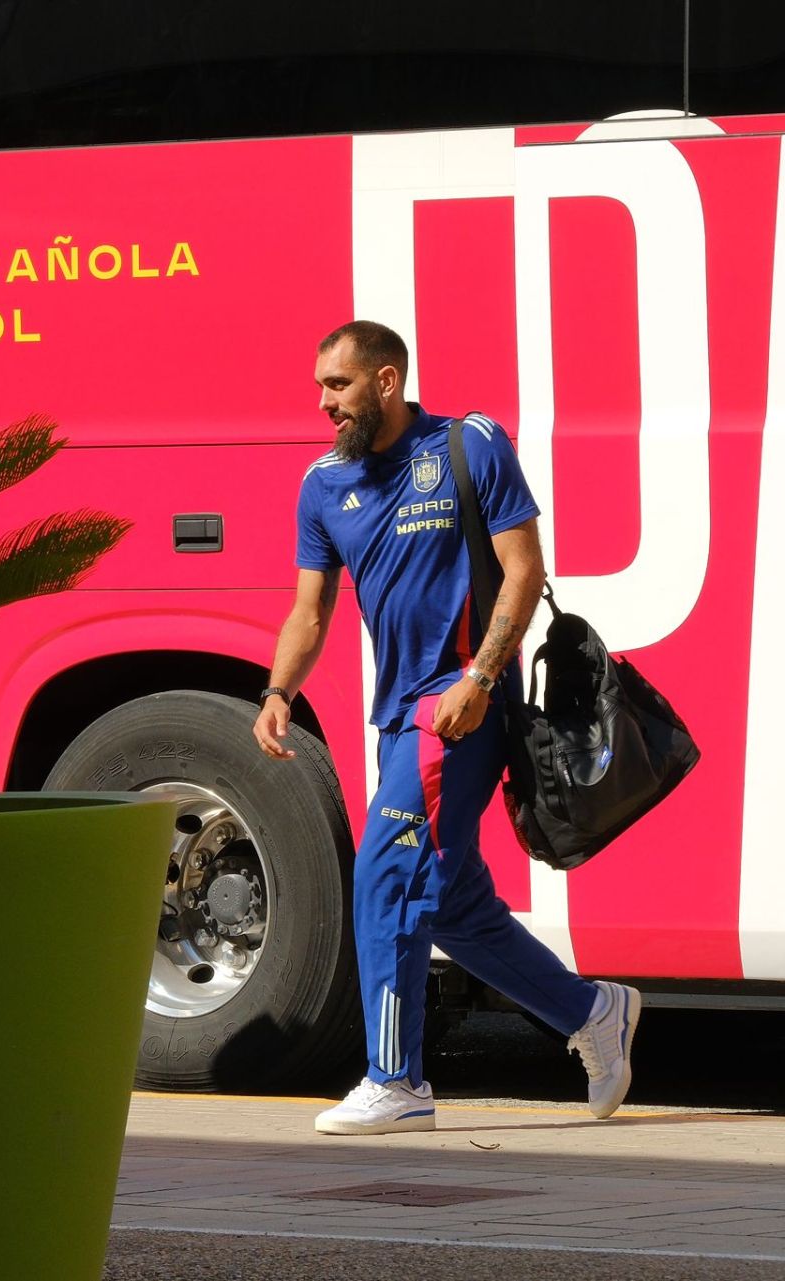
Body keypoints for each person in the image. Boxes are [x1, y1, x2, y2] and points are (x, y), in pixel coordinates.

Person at [253, 321, 640, 1136]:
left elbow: (525, 570)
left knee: (384, 877)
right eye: (322, 385)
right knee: (453, 903)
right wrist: (278, 690)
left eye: (339, 385)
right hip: (399, 717)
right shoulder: (324, 485)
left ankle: (396, 1078)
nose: (324, 402)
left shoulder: (470, 445)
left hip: (460, 703)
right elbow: (309, 608)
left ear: (386, 381)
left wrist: (479, 677)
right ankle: (592, 1011)